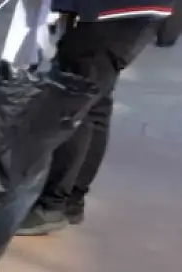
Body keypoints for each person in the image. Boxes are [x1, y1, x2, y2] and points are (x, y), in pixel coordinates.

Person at [18, 1, 178, 234]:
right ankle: (71, 200)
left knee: (75, 98)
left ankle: (53, 203)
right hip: (138, 11)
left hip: (107, 12)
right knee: (95, 101)